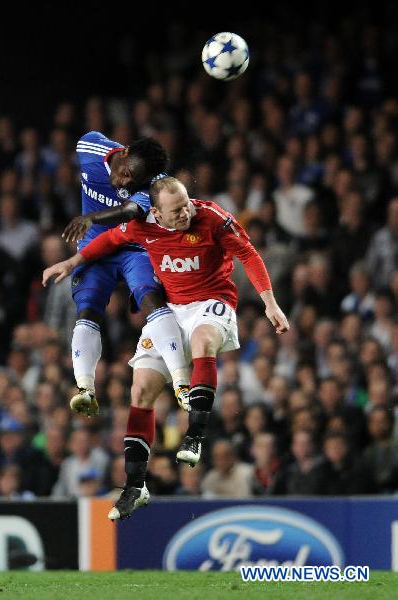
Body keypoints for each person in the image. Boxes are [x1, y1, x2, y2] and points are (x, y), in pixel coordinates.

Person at [43, 176, 289, 519]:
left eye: (186, 204)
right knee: (140, 389)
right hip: (170, 313)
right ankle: (135, 487)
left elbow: (248, 253)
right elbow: (111, 240)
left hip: (212, 301)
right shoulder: (143, 226)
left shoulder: (212, 217)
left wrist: (270, 303)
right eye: (176, 210)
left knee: (204, 340)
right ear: (156, 211)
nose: (185, 212)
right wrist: (72, 263)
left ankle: (195, 436)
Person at [55, 131, 189, 417]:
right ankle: (85, 389)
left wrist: (91, 217)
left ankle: (181, 382)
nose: (123, 182)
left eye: (132, 181)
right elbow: (78, 145)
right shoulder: (89, 146)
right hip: (94, 249)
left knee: (151, 300)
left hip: (133, 247)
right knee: (87, 311)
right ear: (123, 152)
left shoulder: (154, 182)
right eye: (125, 172)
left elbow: (130, 211)